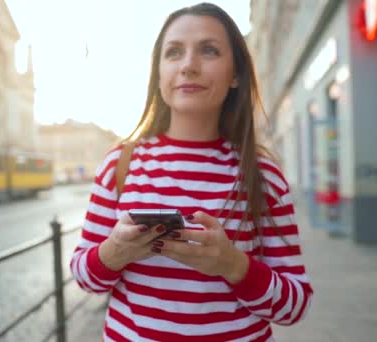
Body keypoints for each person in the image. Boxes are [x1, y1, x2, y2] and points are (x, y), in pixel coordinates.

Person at [70, 3, 313, 341]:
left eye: (209, 50)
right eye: (173, 52)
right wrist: (114, 251)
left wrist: (233, 265)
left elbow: (296, 305)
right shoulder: (119, 164)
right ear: (158, 74)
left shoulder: (264, 174)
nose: (188, 65)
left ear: (236, 74)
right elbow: (85, 279)